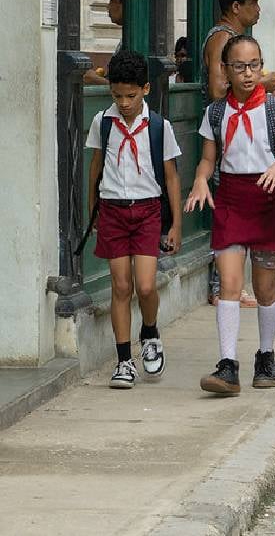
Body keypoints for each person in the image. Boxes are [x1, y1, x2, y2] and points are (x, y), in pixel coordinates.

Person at [186, 34, 275, 395]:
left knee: (266, 289)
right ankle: (227, 365)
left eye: (254, 65)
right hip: (232, 201)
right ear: (225, 70)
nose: (248, 74)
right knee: (230, 285)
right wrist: (200, 182)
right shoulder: (215, 113)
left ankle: (265, 355)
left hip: (267, 201)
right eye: (239, 67)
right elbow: (208, 158)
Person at [84, 50, 182, 388]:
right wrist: (92, 207)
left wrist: (176, 225)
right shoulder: (103, 123)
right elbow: (96, 167)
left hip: (147, 211)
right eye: (116, 96)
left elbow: (170, 177)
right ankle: (124, 361)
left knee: (145, 285)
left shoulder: (158, 127)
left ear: (145, 90)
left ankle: (150, 331)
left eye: (130, 95)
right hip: (112, 210)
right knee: (121, 286)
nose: (124, 102)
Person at [202, 0, 275, 309]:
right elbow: (216, 89)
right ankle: (220, 284)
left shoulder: (236, 37)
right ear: (235, 7)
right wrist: (262, 79)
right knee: (226, 210)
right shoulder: (223, 37)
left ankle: (229, 283)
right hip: (226, 135)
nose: (258, 8)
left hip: (237, 129)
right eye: (252, 2)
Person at [84, 0, 126, 85]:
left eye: (112, 1)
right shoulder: (125, 39)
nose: (108, 7)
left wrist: (95, 80)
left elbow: (127, 90)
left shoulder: (134, 42)